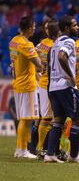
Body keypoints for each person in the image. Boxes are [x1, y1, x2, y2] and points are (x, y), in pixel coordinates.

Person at [45, 15, 79, 164]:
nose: (77, 27)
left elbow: (51, 61)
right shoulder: (69, 41)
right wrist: (70, 76)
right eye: (74, 25)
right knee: (77, 119)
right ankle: (74, 156)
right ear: (66, 28)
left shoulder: (56, 42)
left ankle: (50, 154)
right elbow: (62, 57)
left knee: (58, 120)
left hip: (54, 87)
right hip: (66, 86)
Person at [9, 16, 42, 159]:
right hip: (27, 84)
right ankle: (22, 150)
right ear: (29, 28)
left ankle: (20, 149)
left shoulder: (14, 41)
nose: (34, 29)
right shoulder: (26, 45)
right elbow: (39, 63)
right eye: (33, 26)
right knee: (26, 118)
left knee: (23, 117)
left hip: (18, 82)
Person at [34, 19, 58, 154]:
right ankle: (41, 149)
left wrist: (38, 74)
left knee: (51, 118)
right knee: (48, 117)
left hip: (47, 84)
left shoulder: (41, 44)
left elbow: (34, 62)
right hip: (48, 85)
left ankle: (47, 148)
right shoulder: (52, 44)